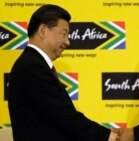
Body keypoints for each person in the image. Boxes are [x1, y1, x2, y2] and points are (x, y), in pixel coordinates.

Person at [8, 4, 118, 141]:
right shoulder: (32, 67)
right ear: (43, 31)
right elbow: (65, 117)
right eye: (64, 34)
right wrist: (107, 136)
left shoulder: (34, 64)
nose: (68, 42)